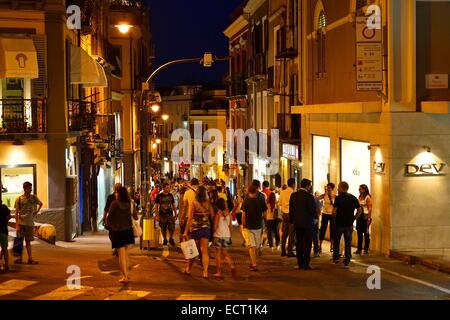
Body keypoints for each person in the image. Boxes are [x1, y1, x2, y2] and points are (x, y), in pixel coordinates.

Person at [106, 187, 138, 283]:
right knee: (124, 253)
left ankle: (125, 276)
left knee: (121, 255)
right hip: (128, 232)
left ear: (120, 194)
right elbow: (135, 217)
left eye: (116, 193)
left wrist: (111, 225)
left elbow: (109, 217)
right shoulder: (130, 204)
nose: (115, 194)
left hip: (117, 231)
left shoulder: (115, 203)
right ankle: (126, 272)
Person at [183, 186, 215, 278]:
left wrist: (185, 231)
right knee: (204, 251)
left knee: (192, 250)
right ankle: (205, 272)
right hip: (205, 229)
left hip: (195, 229)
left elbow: (190, 219)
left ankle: (188, 269)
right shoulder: (208, 204)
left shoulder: (194, 203)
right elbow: (212, 216)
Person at [332, 182, 362, 267]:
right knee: (348, 242)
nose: (337, 189)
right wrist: (354, 218)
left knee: (336, 241)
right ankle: (347, 260)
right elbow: (359, 210)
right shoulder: (353, 198)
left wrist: (334, 219)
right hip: (349, 224)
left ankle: (336, 258)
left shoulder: (338, 198)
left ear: (342, 188)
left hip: (339, 223)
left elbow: (334, 211)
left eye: (338, 187)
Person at [290, 179, 317, 270]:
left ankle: (299, 263)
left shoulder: (294, 195)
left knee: (299, 242)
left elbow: (291, 210)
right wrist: (315, 217)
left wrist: (292, 221)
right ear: (307, 186)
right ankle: (306, 263)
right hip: (308, 223)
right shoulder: (309, 196)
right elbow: (312, 209)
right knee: (307, 243)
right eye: (310, 185)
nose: (310, 187)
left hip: (297, 222)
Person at [14, 182, 43, 265]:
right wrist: (16, 225)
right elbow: (16, 212)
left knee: (28, 242)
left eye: (31, 188)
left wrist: (36, 212)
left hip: (30, 223)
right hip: (21, 223)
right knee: (20, 241)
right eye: (29, 188)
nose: (31, 190)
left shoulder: (33, 197)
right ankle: (20, 258)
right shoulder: (19, 199)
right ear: (25, 188)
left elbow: (40, 204)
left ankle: (30, 258)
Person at [241, 184, 267, 271]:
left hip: (248, 226)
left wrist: (243, 225)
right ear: (256, 191)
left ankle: (254, 263)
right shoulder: (261, 201)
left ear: (248, 192)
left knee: (251, 246)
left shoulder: (246, 202)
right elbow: (264, 214)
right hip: (258, 225)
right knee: (254, 245)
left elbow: (243, 215)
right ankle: (254, 262)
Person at [213, 198, 237, 278]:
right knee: (225, 253)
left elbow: (215, 227)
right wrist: (230, 235)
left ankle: (218, 272)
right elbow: (230, 226)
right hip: (226, 236)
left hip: (218, 235)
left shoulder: (218, 214)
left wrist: (213, 232)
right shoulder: (229, 215)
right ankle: (231, 266)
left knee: (218, 254)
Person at [103, 183, 122, 256]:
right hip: (118, 220)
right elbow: (106, 208)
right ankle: (117, 248)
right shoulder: (111, 197)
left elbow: (106, 209)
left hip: (114, 220)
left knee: (112, 235)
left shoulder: (111, 197)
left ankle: (117, 248)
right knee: (114, 235)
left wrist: (105, 218)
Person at [279, 179, 296, 257]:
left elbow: (279, 203)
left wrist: (283, 209)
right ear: (293, 184)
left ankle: (283, 251)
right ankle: (290, 251)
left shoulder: (282, 192)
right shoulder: (293, 192)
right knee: (291, 233)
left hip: (284, 214)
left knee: (284, 233)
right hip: (291, 214)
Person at [318, 183, 336, 253]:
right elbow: (316, 199)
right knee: (323, 229)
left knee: (332, 230)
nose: (327, 189)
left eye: (329, 188)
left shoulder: (335, 196)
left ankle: (332, 246)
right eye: (327, 187)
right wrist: (319, 208)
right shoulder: (324, 195)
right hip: (325, 213)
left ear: (332, 188)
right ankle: (320, 246)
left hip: (332, 215)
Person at [181, 178, 199, 243]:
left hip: (191, 216)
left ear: (191, 184)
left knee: (191, 234)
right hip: (203, 217)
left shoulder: (187, 192)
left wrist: (182, 217)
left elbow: (185, 207)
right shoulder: (203, 191)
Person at [355, 184, 372, 254]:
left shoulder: (367, 198)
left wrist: (368, 218)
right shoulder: (359, 197)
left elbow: (370, 209)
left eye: (361, 189)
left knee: (366, 233)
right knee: (359, 233)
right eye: (359, 189)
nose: (359, 190)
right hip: (359, 217)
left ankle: (366, 249)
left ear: (364, 190)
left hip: (365, 217)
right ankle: (359, 249)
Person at [0, 199, 11, 272]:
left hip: (3, 230)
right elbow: (9, 216)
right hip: (3, 230)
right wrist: (5, 221)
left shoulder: (4, 207)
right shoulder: (4, 207)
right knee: (4, 249)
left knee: (4, 249)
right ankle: (6, 266)